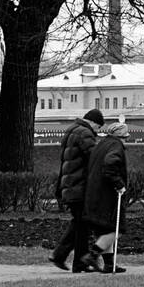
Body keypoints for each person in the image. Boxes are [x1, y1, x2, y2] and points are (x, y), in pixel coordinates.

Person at [49, 108, 103, 271]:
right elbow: (94, 157)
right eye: (98, 128)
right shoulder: (85, 133)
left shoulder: (72, 130)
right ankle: (75, 261)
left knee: (80, 223)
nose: (97, 131)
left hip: (70, 185)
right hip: (79, 186)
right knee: (82, 224)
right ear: (93, 122)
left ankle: (63, 257)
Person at [78, 119, 130, 274]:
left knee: (105, 229)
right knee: (116, 229)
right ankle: (92, 255)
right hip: (106, 195)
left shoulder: (101, 144)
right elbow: (110, 165)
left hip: (94, 193)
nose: (126, 141)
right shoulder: (116, 146)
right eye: (125, 137)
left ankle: (109, 264)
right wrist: (119, 184)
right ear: (121, 137)